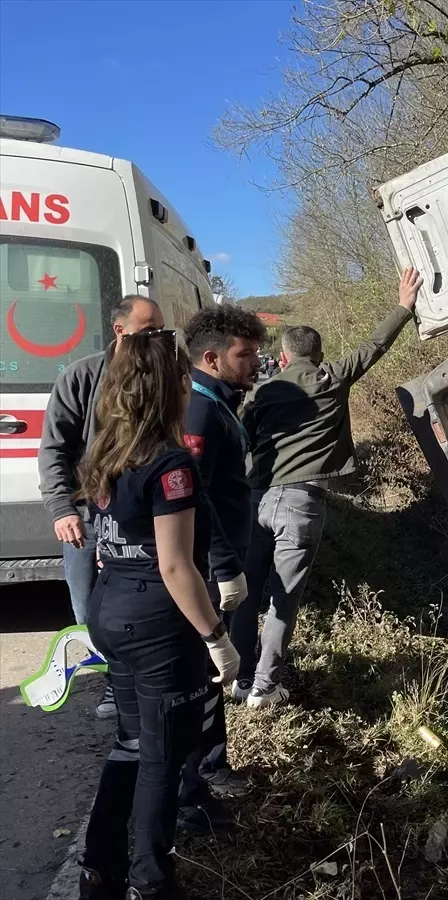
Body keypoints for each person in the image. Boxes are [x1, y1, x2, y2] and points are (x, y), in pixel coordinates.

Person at [73, 328, 240, 900]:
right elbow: (176, 567)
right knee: (161, 761)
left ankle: (99, 870)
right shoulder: (170, 464)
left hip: (111, 611)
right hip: (157, 629)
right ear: (168, 388)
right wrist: (216, 636)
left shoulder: (106, 453)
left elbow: (107, 541)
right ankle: (152, 882)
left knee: (130, 744)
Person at [231, 267, 423, 707]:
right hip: (302, 503)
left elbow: (243, 442)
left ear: (282, 358)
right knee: (283, 599)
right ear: (318, 355)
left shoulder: (261, 393)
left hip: (258, 500)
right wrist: (403, 306)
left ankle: (241, 678)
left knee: (246, 593)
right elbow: (373, 347)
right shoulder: (331, 378)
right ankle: (264, 686)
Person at [38, 295, 165, 719]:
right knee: (90, 608)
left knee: (139, 607)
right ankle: (113, 684)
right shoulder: (80, 378)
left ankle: (137, 685)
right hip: (86, 519)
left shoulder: (158, 378)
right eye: (149, 332)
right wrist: (62, 509)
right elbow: (54, 449)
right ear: (120, 331)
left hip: (138, 518)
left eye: (161, 332)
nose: (157, 340)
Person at [175, 305, 266, 831]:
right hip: (208, 569)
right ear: (212, 357)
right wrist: (222, 567)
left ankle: (211, 767)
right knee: (204, 676)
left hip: (219, 561)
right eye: (245, 354)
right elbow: (195, 497)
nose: (255, 361)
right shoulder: (200, 411)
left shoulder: (218, 401)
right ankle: (194, 789)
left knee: (211, 677)